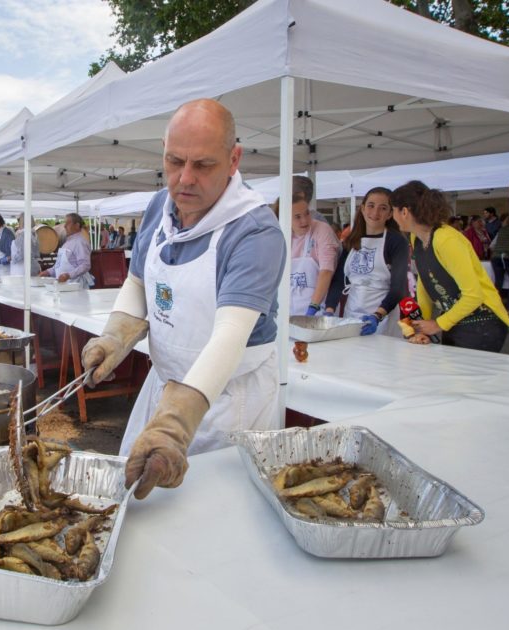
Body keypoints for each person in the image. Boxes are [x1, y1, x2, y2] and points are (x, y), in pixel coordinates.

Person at [80, 98, 286, 500]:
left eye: (203, 165)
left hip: (228, 401)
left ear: (233, 159)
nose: (185, 179)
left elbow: (230, 335)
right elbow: (140, 281)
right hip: (166, 385)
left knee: (215, 520)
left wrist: (175, 425)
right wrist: (116, 334)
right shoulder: (161, 205)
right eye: (174, 161)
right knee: (137, 506)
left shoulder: (254, 231)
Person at [391, 180, 509, 352]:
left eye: (393, 210)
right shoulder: (416, 238)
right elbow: (424, 282)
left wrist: (437, 324)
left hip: (483, 323)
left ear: (404, 211)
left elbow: (473, 295)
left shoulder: (447, 240)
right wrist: (419, 327)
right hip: (454, 322)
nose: (392, 217)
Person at [324, 187, 408, 336]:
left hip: (383, 316)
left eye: (383, 208)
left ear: (390, 214)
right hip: (352, 312)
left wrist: (377, 316)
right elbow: (339, 280)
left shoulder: (396, 242)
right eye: (371, 206)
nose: (375, 213)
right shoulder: (351, 240)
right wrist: (329, 309)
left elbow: (398, 288)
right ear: (362, 209)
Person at [283, 191, 340, 316]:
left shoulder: (322, 230)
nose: (304, 220)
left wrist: (313, 306)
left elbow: (326, 271)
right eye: (297, 217)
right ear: (286, 218)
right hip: (288, 308)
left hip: (318, 307)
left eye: (307, 214)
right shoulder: (283, 233)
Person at [39, 213, 94, 286]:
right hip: (65, 285)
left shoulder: (80, 242)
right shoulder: (67, 242)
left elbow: (85, 265)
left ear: (77, 225)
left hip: (76, 285)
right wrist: (47, 272)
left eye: (68, 223)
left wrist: (68, 275)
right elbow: (58, 265)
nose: (64, 226)